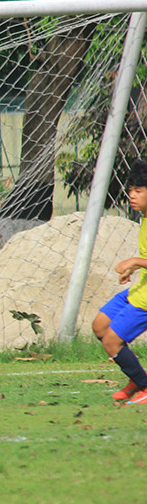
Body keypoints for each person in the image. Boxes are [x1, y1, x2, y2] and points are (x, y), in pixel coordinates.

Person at [93, 159, 147, 405]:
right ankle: (136, 377)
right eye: (130, 190)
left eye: (138, 191)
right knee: (100, 326)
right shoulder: (144, 217)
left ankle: (144, 385)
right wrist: (135, 266)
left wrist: (134, 260)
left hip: (145, 300)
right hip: (138, 289)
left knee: (112, 341)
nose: (131, 196)